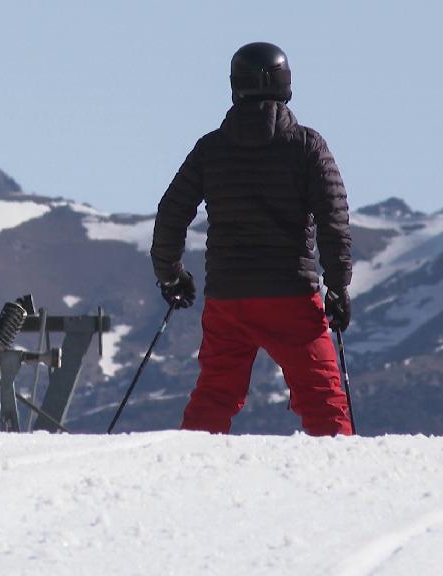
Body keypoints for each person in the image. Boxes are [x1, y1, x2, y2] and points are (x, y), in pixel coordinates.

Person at [150, 41, 354, 436]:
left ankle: (185, 474)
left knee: (214, 396)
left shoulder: (211, 149)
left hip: (228, 297)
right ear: (285, 83)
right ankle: (343, 474)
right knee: (321, 396)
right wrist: (338, 287)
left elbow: (171, 214)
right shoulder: (308, 146)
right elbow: (334, 221)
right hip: (291, 295)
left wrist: (171, 276)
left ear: (234, 85)